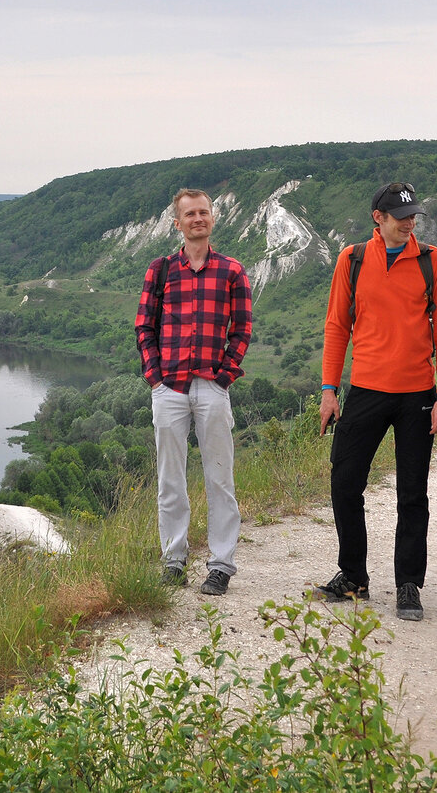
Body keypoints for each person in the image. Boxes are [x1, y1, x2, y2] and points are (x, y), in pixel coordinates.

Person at [310, 181, 437, 621]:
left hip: (417, 392)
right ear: (379, 218)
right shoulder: (352, 259)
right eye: (400, 216)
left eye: (413, 216)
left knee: (413, 494)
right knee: (344, 483)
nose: (409, 223)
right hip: (367, 390)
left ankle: (408, 585)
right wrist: (328, 389)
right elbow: (337, 325)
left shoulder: (434, 261)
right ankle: (353, 577)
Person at [135, 188, 253, 596]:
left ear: (213, 218)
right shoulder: (161, 269)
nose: (197, 219)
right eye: (190, 214)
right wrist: (155, 377)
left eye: (203, 212)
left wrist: (224, 376)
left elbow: (242, 330)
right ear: (178, 222)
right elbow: (144, 327)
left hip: (211, 386)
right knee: (171, 479)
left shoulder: (232, 271)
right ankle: (174, 560)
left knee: (219, 478)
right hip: (169, 386)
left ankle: (220, 565)